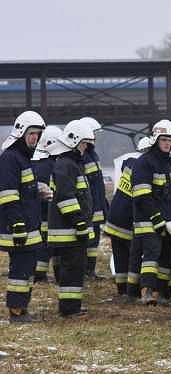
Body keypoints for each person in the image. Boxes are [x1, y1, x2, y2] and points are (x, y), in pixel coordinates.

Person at [0, 110, 46, 323]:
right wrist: (17, 223)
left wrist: (39, 190)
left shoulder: (24, 158)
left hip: (29, 225)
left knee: (27, 268)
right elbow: (8, 193)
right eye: (32, 134)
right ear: (21, 133)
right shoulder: (10, 158)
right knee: (19, 270)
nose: (35, 138)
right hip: (17, 226)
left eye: (38, 134)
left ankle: (22, 308)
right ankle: (16, 312)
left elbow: (24, 188)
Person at [47, 120, 96, 318]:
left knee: (75, 268)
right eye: (84, 144)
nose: (85, 148)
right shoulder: (66, 165)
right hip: (69, 231)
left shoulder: (71, 165)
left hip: (72, 229)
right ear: (74, 142)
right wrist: (80, 221)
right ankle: (69, 309)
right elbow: (66, 198)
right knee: (72, 268)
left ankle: (72, 306)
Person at [129, 120, 171, 306]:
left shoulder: (168, 164)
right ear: (156, 140)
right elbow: (142, 196)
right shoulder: (144, 163)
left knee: (167, 256)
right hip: (148, 221)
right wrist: (156, 218)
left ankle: (163, 294)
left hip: (168, 221)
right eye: (164, 139)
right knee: (152, 255)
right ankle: (146, 292)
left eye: (170, 140)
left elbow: (170, 195)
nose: (167, 143)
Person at [105, 137, 152, 298]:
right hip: (127, 221)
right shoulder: (145, 169)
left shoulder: (130, 164)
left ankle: (121, 289)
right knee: (133, 256)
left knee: (119, 256)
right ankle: (132, 290)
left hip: (114, 219)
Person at [77, 117, 107, 280]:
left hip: (96, 205)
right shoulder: (82, 156)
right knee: (87, 240)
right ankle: (84, 271)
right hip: (88, 207)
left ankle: (90, 270)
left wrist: (103, 204)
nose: (95, 138)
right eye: (93, 134)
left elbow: (98, 183)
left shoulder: (92, 154)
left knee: (94, 240)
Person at [31, 125, 61, 283]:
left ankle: (47, 274)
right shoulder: (48, 165)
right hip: (45, 216)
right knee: (45, 247)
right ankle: (39, 275)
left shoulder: (38, 162)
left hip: (40, 214)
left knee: (51, 246)